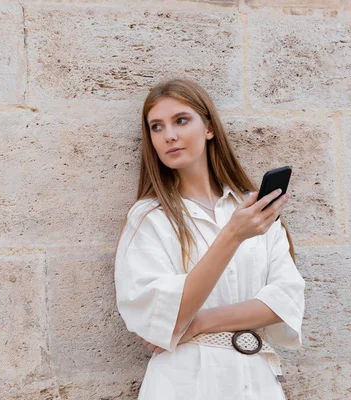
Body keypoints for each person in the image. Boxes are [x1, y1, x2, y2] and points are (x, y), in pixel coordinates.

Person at [113, 78, 306, 399]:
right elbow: (164, 318)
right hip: (186, 382)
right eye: (156, 127)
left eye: (181, 120)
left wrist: (200, 322)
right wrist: (232, 236)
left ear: (209, 128)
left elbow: (285, 301)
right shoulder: (149, 218)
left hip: (257, 381)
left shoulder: (253, 209)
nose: (169, 135)